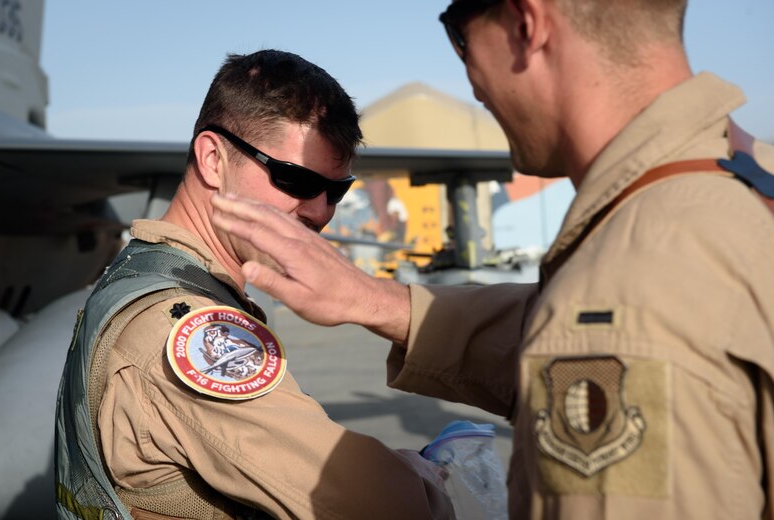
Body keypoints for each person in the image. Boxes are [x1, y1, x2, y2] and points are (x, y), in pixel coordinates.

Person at [210, 1, 774, 519]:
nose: (474, 87)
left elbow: (616, 327)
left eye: (460, 40)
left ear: (526, 27)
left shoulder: (625, 284)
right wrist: (374, 300)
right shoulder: (746, 185)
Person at [55, 50, 454, 520]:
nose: (322, 211)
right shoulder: (183, 329)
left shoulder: (140, 275)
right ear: (212, 158)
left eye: (336, 190)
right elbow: (384, 505)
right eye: (295, 179)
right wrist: (420, 476)